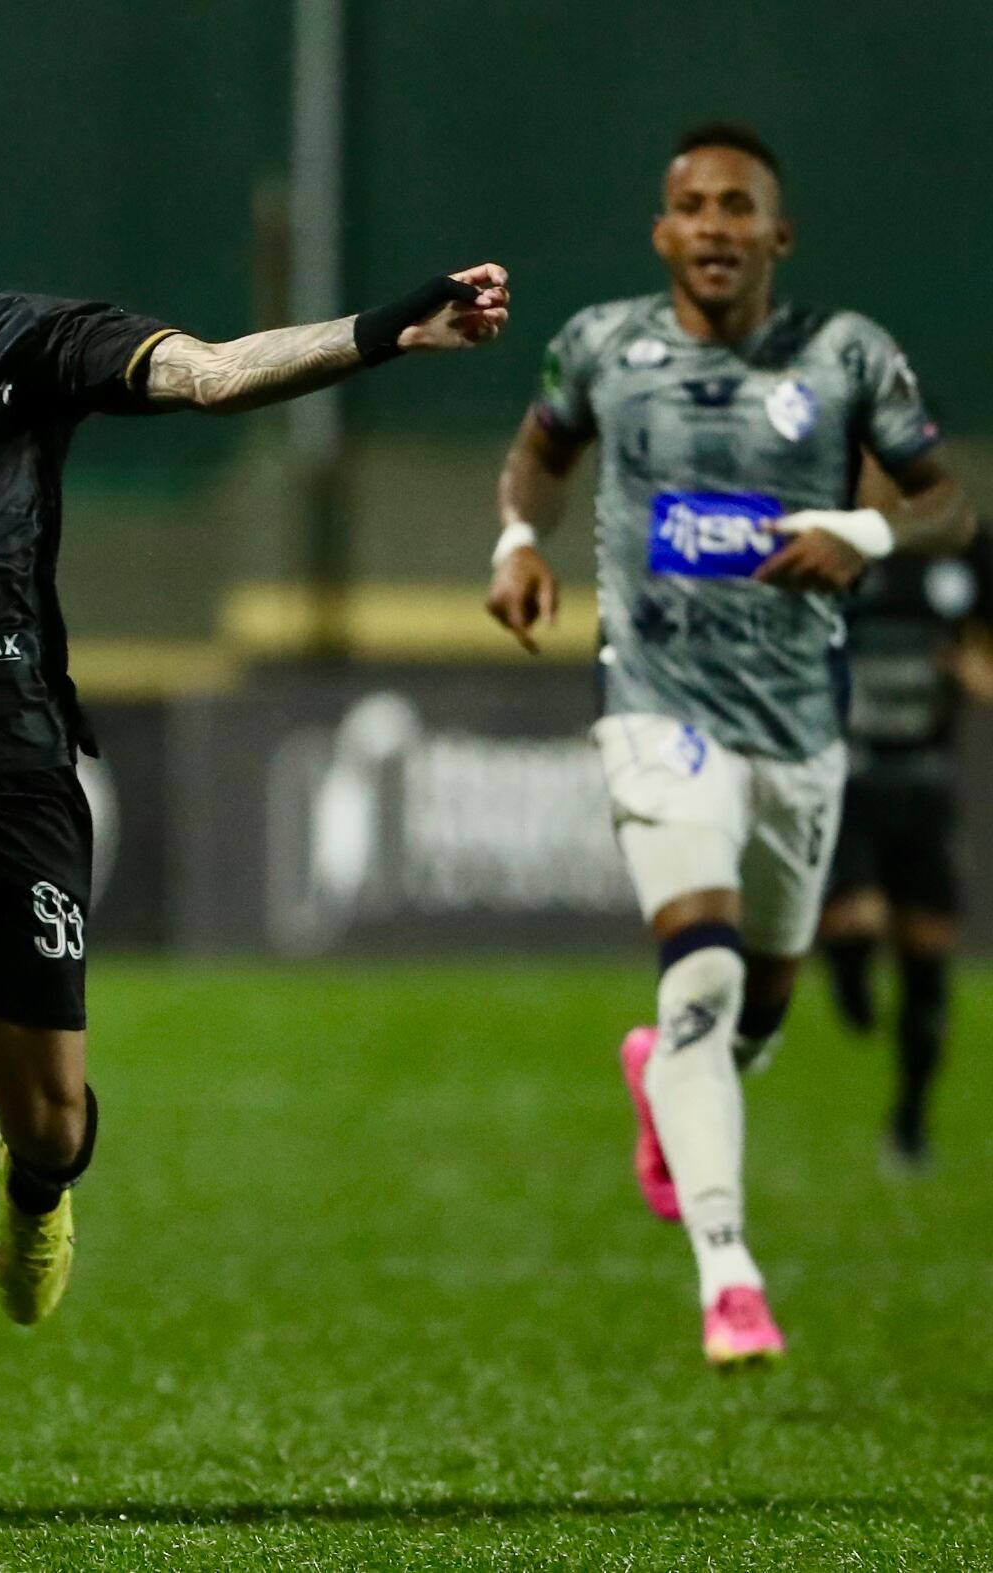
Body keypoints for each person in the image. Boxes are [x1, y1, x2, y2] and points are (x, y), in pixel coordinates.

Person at [0, 94, 509, 1499]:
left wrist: (381, 331)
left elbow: (209, 374)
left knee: (51, 1119)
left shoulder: (20, 338)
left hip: (8, 775)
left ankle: (38, 1194)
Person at [484, 124, 972, 1368]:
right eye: (689, 206)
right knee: (697, 975)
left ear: (775, 234)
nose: (711, 225)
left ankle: (664, 1072)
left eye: (735, 207)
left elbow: (943, 500)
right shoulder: (601, 344)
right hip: (657, 713)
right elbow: (538, 457)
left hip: (800, 735)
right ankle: (727, 1269)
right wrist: (515, 544)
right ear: (663, 232)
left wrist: (862, 535)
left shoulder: (843, 353)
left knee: (755, 1011)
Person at [817, 464, 993, 1172]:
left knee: (927, 959)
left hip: (925, 782)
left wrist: (974, 672)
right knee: (856, 922)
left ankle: (911, 1120)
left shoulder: (965, 557)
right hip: (851, 776)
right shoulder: (828, 545)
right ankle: (849, 973)